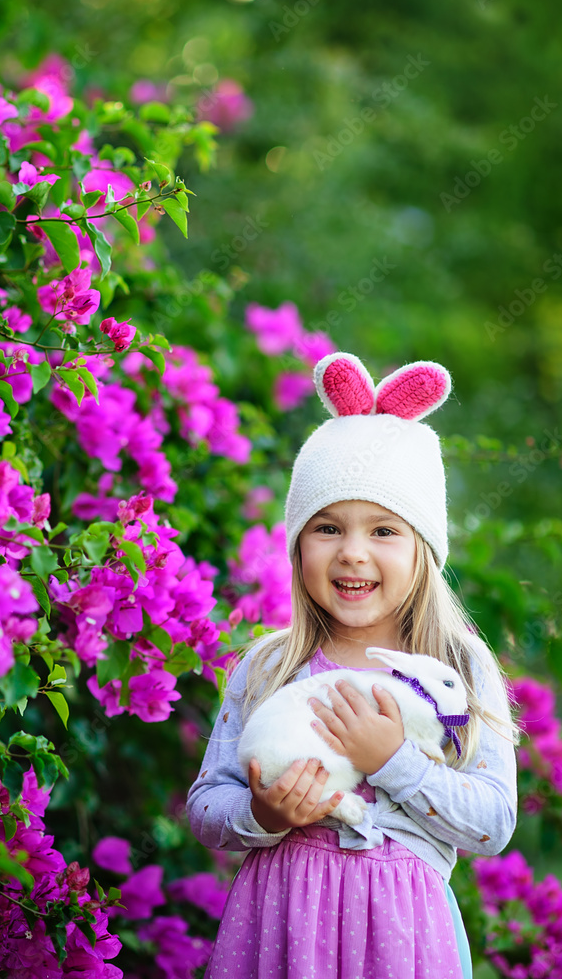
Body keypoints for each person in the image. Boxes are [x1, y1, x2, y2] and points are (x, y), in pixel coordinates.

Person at [187, 352, 518, 979]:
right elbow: (207, 804)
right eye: (328, 527)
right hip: (281, 922)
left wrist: (392, 761)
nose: (353, 554)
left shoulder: (456, 665)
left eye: (385, 531)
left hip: (402, 933)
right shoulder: (269, 665)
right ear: (297, 544)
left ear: (424, 547)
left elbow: (492, 824)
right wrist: (263, 815)